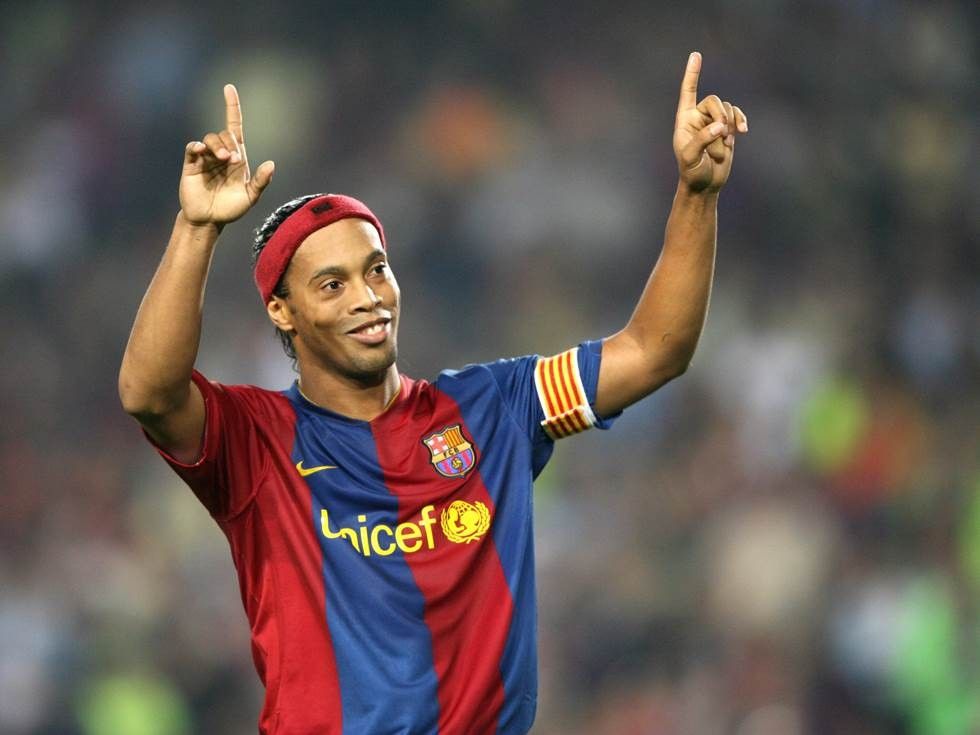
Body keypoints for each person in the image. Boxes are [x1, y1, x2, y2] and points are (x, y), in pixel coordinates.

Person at [118, 51, 747, 735]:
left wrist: (697, 195)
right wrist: (198, 227)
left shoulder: (494, 408)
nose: (367, 298)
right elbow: (150, 392)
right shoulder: (257, 440)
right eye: (332, 284)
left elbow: (655, 351)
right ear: (283, 311)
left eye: (377, 270)